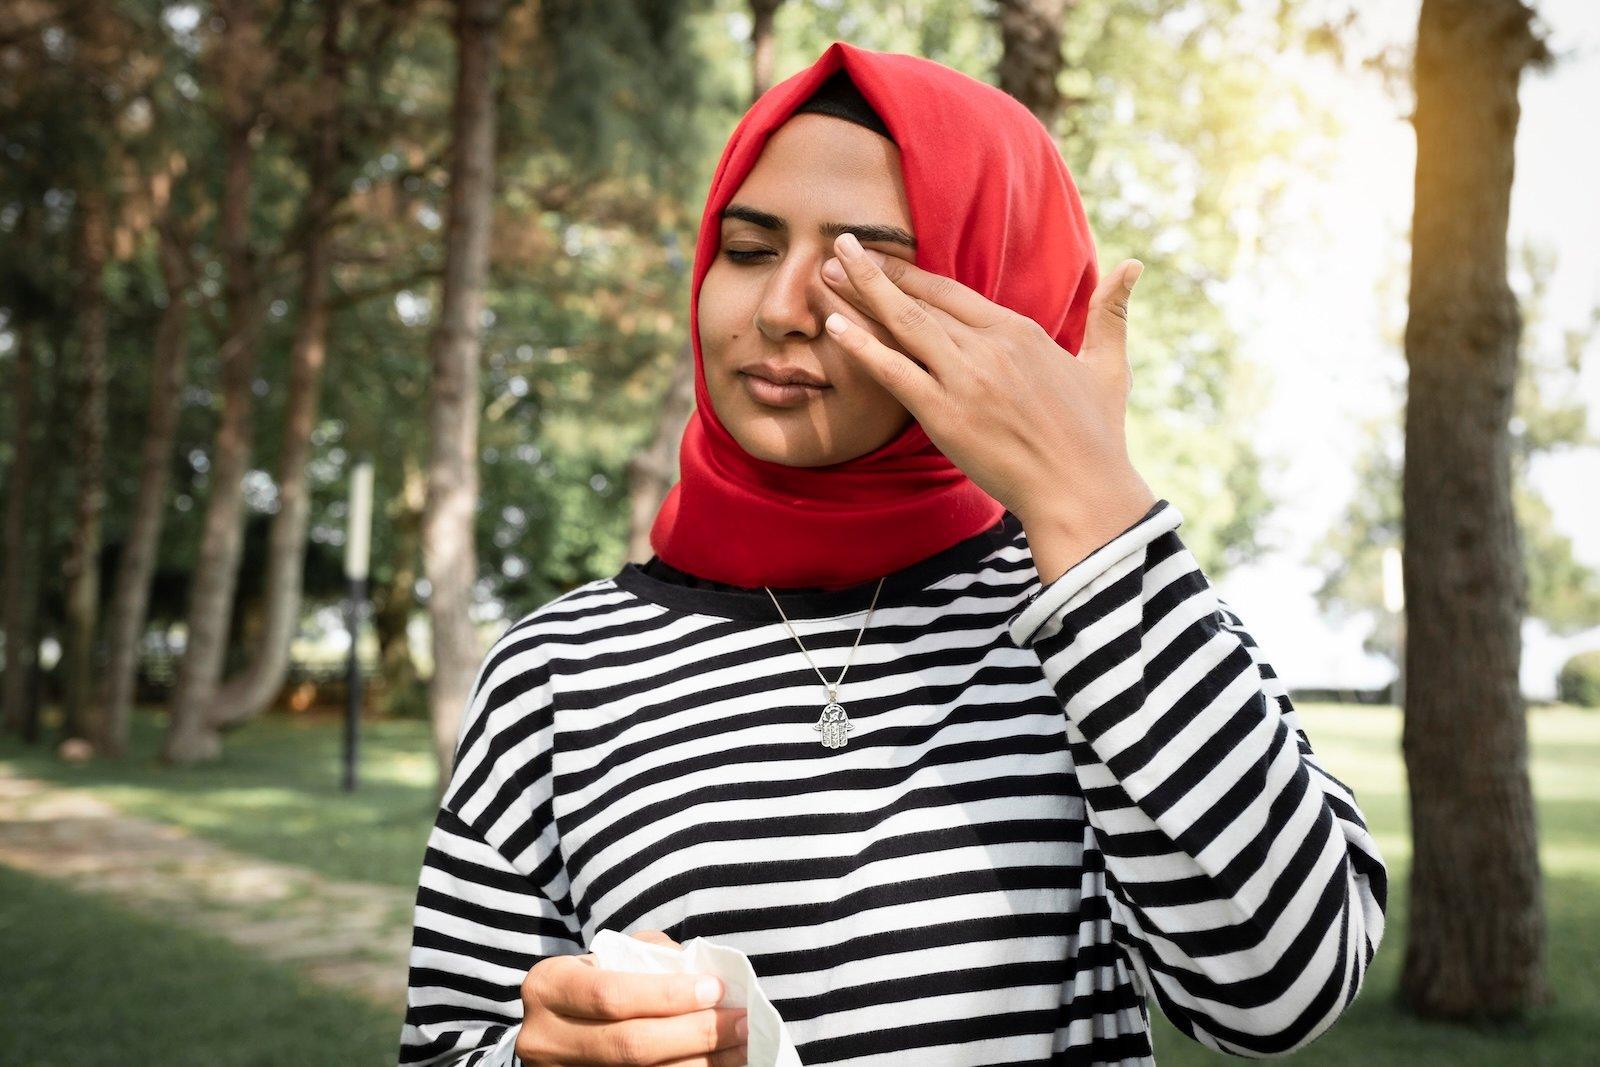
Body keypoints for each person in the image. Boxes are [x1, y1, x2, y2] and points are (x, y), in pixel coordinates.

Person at [397, 40, 1387, 1067]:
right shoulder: (557, 669)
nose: (781, 308)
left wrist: (1085, 499)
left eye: (863, 270)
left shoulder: (1108, 609)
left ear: (990, 302)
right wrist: (541, 1056)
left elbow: (1282, 988)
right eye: (746, 248)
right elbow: (445, 1042)